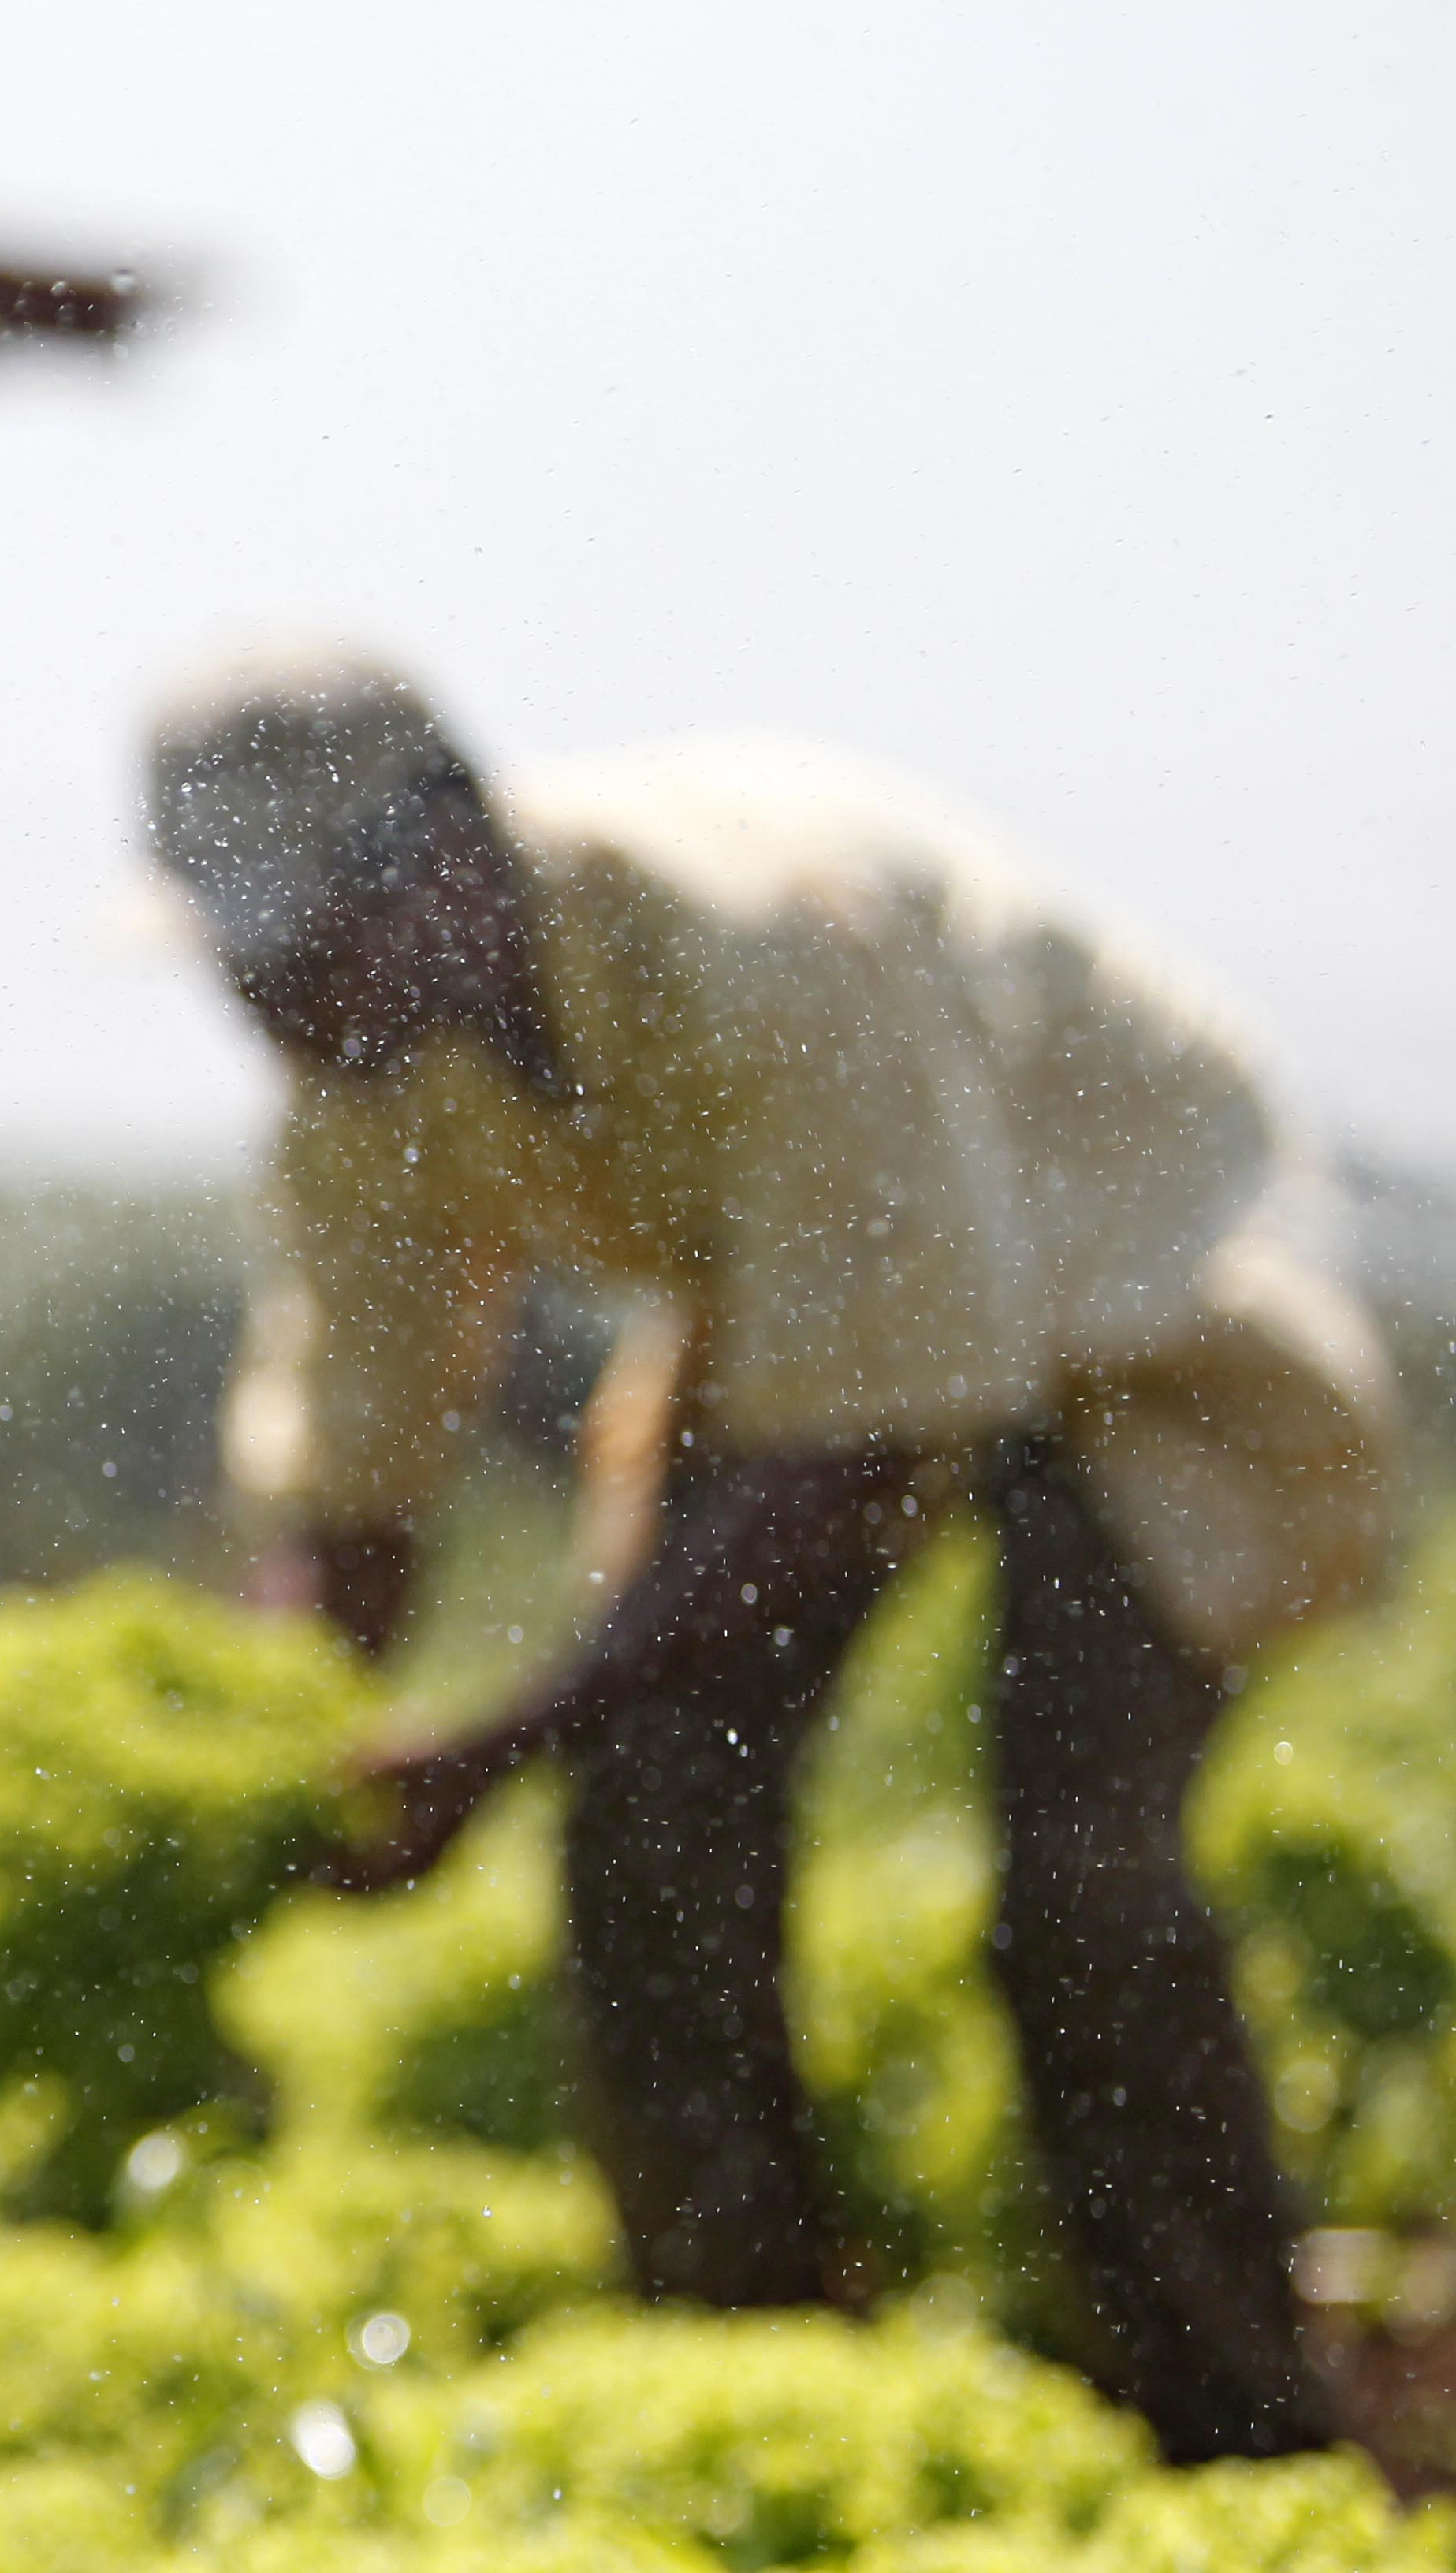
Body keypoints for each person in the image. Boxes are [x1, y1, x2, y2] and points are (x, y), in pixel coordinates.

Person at [148, 643, 1399, 2463]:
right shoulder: (364, 1061)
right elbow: (359, 1467)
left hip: (1129, 1282)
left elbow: (852, 1457)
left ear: (445, 858)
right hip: (822, 1324)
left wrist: (499, 1740)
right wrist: (270, 1740)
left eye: (307, 944)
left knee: (1080, 1881)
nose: (270, 1000)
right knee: (652, 1817)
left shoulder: (755, 945)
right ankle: (753, 2375)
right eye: (239, 960)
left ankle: (1237, 2426)